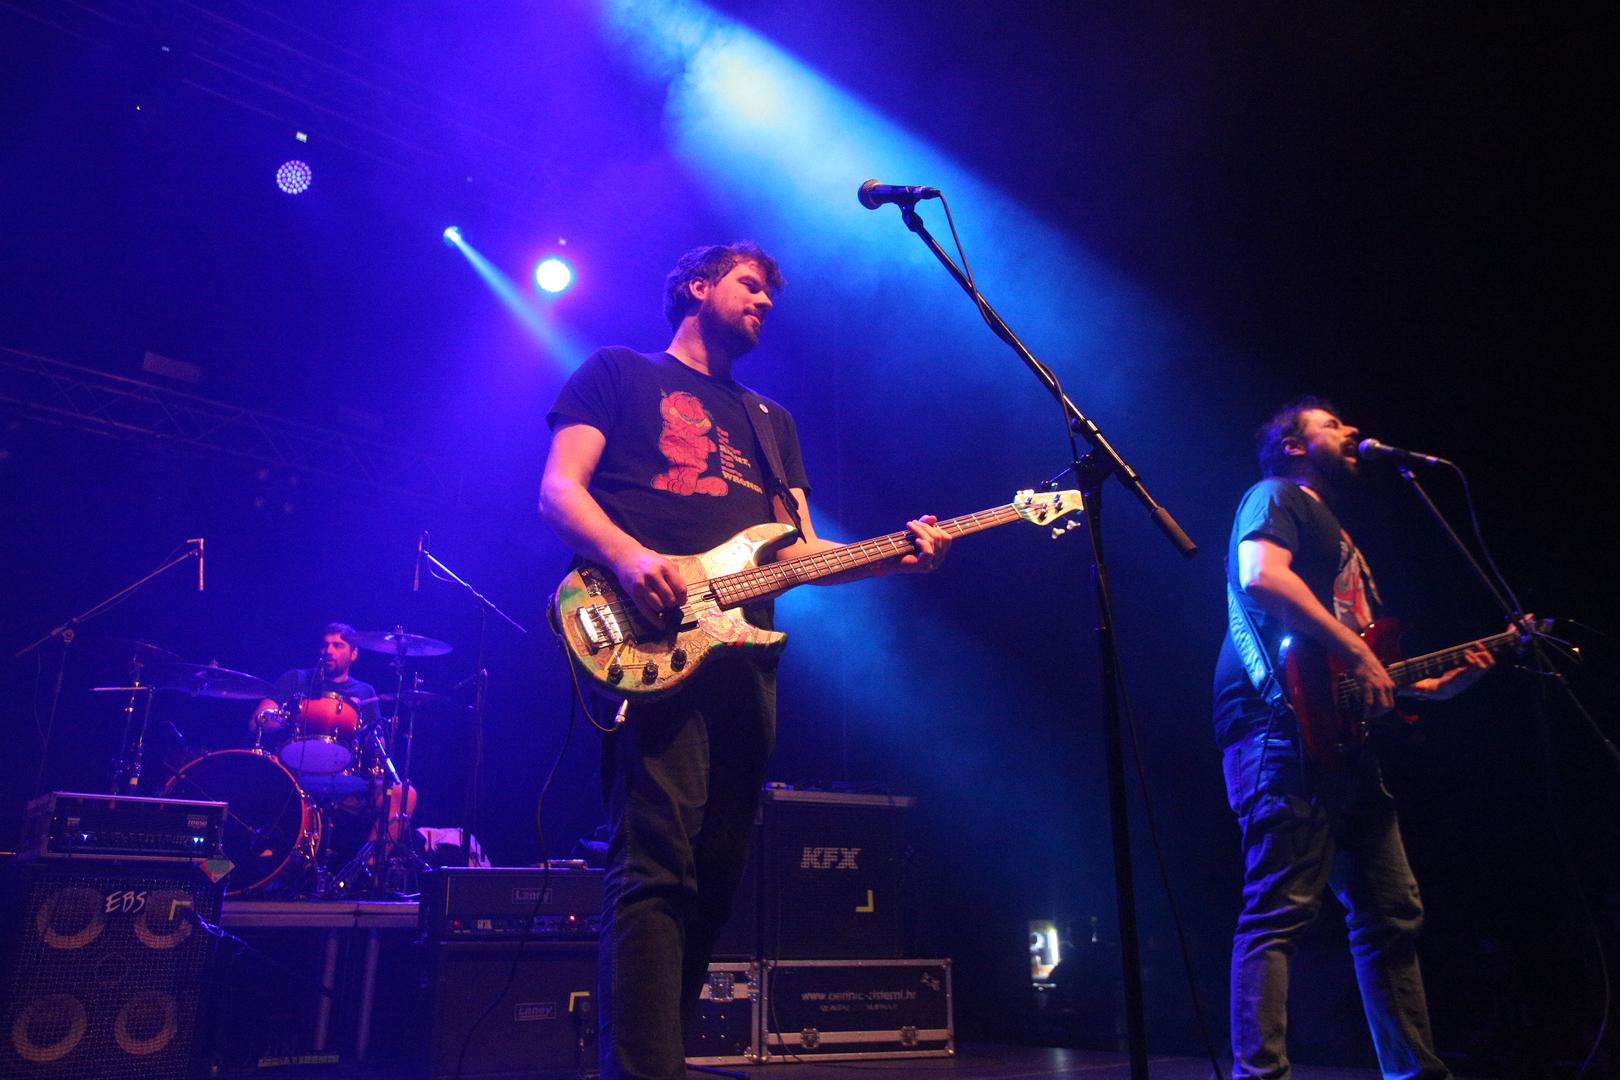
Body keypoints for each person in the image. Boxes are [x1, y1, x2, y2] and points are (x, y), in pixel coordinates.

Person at [539, 241, 951, 1080]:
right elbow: (559, 490)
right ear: (698, 286)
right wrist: (629, 556)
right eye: (750, 285)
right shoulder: (618, 373)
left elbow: (798, 553)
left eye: (771, 294)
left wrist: (892, 557)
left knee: (717, 872)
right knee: (655, 861)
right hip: (648, 636)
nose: (764, 302)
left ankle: (662, 1054)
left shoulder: (772, 424)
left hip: (745, 655)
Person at [1213, 397, 1495, 1080]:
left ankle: (1415, 1073)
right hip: (1279, 728)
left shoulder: (1342, 539)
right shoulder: (1276, 496)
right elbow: (1260, 576)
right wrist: (1359, 652)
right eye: (1332, 425)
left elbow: (1364, 674)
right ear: (1293, 445)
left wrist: (1440, 684)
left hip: (1344, 743)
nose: (1352, 431)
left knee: (1391, 911)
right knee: (1281, 908)